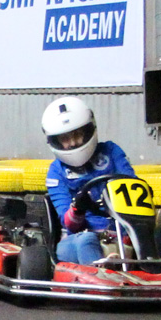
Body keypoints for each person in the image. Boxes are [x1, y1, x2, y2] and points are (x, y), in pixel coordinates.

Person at [42, 96, 138, 265]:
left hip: (120, 230)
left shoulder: (111, 151)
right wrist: (78, 209)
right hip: (78, 237)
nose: (73, 143)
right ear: (55, 141)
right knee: (87, 241)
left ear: (88, 131)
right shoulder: (56, 172)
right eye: (65, 139)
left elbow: (132, 185)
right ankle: (102, 271)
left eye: (77, 135)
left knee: (152, 233)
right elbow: (69, 224)